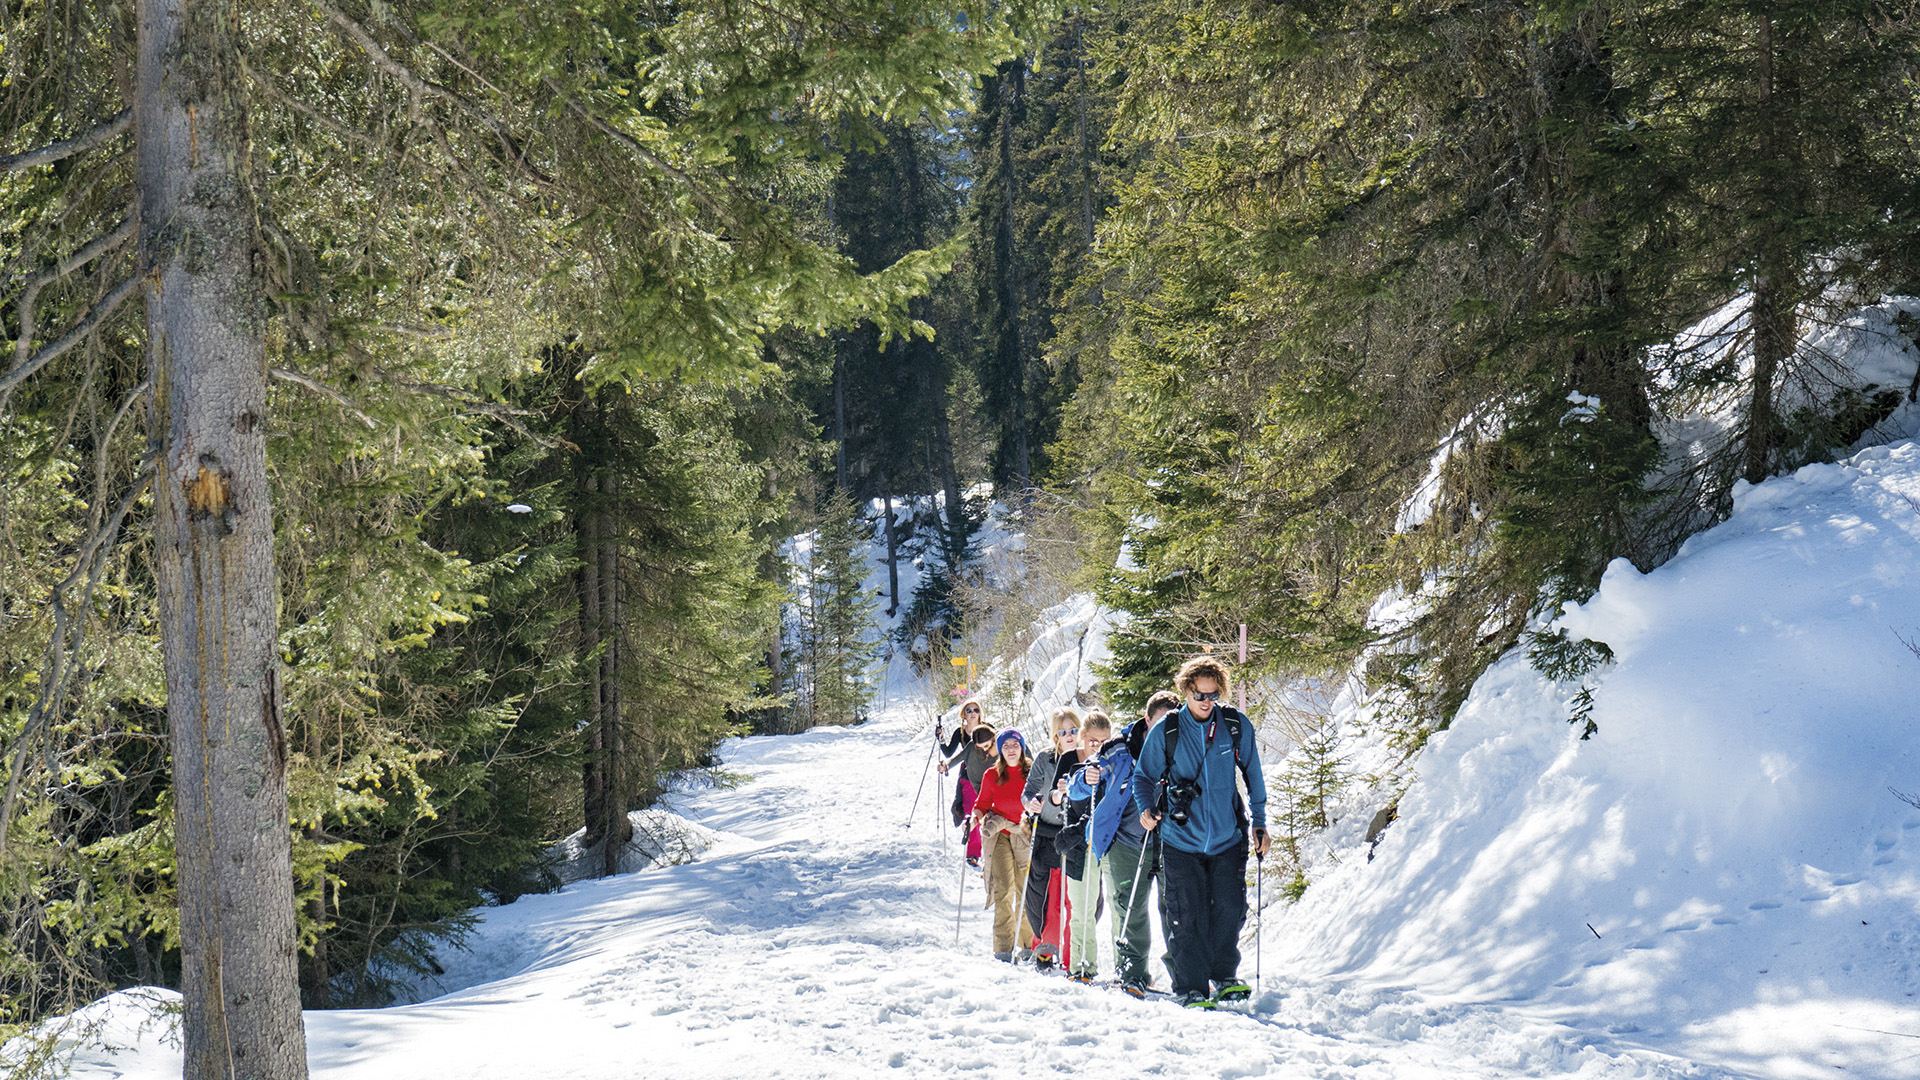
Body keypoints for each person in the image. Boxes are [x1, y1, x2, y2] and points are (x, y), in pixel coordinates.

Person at [1131, 656, 1269, 1009]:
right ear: (1186, 692)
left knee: (1229, 908)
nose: (1206, 702)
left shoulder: (1235, 726)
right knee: (1186, 913)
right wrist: (1147, 810)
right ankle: (1190, 987)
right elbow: (1143, 777)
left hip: (1227, 837)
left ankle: (1224, 976)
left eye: (1212, 695)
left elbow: (1253, 774)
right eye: (1198, 695)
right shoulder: (1169, 730)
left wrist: (1259, 821)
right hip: (1180, 840)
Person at [1071, 692, 1178, 996]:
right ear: (1147, 720)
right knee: (1129, 907)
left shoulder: (1186, 746)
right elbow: (1080, 783)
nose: (1167, 729)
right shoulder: (1119, 750)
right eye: (1161, 722)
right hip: (1126, 842)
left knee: (1177, 908)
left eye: (1172, 722)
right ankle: (1133, 974)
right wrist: (1086, 777)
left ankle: (1185, 976)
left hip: (1172, 841)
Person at [1020, 708, 1088, 969]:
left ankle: (1072, 956)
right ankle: (1046, 950)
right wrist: (1031, 804)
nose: (1069, 736)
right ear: (1055, 735)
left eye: (1073, 730)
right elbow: (1028, 792)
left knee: (1074, 900)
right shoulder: (1046, 759)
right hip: (1048, 834)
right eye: (1063, 732)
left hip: (1077, 836)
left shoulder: (1087, 758)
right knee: (1050, 897)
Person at [1059, 710, 1116, 983]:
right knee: (1081, 908)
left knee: (1115, 906)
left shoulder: (1114, 767)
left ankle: (1127, 969)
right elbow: (1067, 794)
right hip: (1080, 845)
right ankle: (1082, 965)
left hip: (1109, 843)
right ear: (1082, 738)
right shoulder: (1074, 767)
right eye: (1093, 741)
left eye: (1104, 742)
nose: (1099, 747)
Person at [970, 729, 1033, 961]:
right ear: (1000, 750)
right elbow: (983, 802)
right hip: (999, 833)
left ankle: (1027, 944)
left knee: (1024, 889)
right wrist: (975, 816)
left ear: (1022, 747)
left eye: (1015, 744)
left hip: (1024, 833)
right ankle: (1003, 948)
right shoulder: (991, 775)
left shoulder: (1032, 771)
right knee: (1004, 889)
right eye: (1005, 745)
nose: (1011, 749)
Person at [939, 702, 995, 866]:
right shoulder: (960, 733)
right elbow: (949, 752)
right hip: (968, 775)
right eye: (968, 710)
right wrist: (941, 738)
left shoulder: (988, 729)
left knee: (992, 813)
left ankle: (992, 851)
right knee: (972, 812)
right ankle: (973, 853)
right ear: (963, 714)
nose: (972, 713)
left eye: (976, 710)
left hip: (989, 776)